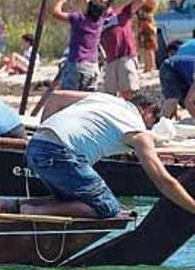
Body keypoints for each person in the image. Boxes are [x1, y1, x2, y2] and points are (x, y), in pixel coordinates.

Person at [20, 91, 195, 219]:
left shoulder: (106, 98)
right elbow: (164, 182)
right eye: (153, 122)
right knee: (108, 208)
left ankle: (17, 205)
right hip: (61, 152)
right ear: (148, 111)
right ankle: (35, 211)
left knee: (71, 198)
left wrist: (47, 136)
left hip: (35, 145)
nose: (150, 128)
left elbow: (56, 96)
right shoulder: (137, 130)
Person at [100, 0, 145, 100]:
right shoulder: (98, 20)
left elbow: (140, 0)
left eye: (102, 0)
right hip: (111, 59)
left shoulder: (121, 11)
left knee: (128, 92)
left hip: (126, 55)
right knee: (110, 95)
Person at [51, 0, 106, 91]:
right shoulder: (100, 22)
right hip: (92, 65)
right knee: (86, 99)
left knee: (69, 97)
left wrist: (61, 0)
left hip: (76, 63)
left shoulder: (77, 19)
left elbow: (56, 13)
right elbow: (96, 9)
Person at [158, 54, 195, 119]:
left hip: (180, 71)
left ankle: (174, 115)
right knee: (172, 99)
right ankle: (161, 122)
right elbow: (188, 102)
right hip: (168, 67)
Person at [136, 0, 160, 73]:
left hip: (148, 24)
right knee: (146, 46)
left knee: (149, 47)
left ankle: (150, 67)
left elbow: (144, 7)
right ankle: (148, 66)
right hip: (144, 24)